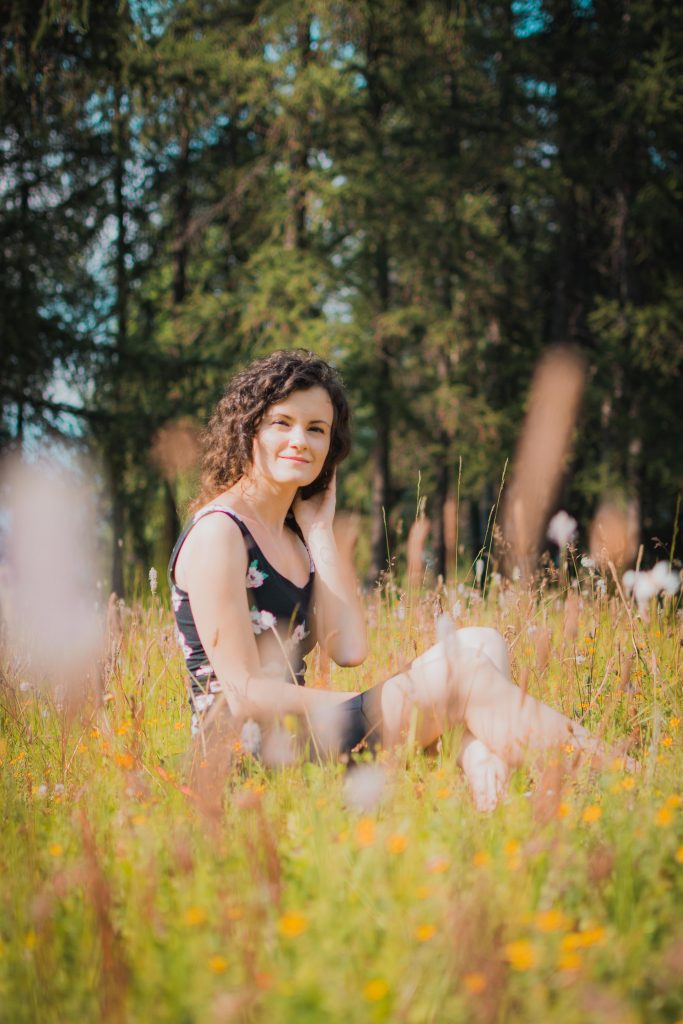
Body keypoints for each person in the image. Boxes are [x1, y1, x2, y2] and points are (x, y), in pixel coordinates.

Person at [168, 349, 596, 811]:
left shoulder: (293, 534)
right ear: (247, 429)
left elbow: (349, 648)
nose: (300, 440)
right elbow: (243, 691)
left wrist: (318, 530)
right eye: (282, 423)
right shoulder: (220, 532)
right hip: (247, 758)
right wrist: (361, 702)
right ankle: (614, 775)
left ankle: (490, 800)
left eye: (317, 429)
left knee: (482, 643)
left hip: (305, 735)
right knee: (462, 673)